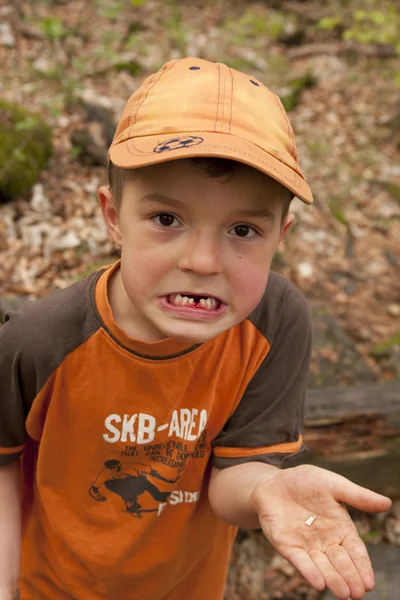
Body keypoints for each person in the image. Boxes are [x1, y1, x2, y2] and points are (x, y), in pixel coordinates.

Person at [0, 57, 391, 600]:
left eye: (243, 229)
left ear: (282, 233)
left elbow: (233, 478)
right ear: (113, 216)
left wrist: (269, 488)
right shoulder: (38, 341)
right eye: (167, 219)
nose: (204, 261)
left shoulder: (275, 324)